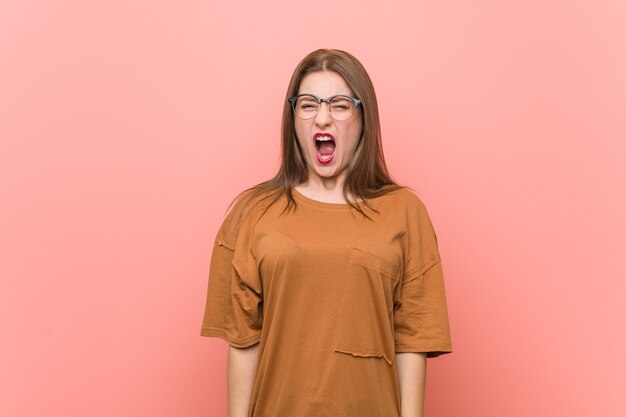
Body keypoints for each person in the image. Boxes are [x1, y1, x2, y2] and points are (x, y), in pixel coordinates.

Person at [200, 48, 453, 417]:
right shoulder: (252, 212)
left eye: (339, 105)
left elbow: (411, 342)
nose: (322, 118)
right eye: (308, 104)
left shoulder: (403, 213)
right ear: (293, 118)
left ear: (363, 116)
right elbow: (242, 342)